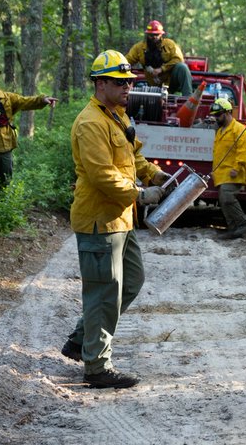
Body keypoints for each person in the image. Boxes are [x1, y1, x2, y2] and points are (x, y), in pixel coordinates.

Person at [60, 49, 172, 389]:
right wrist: (140, 195)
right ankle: (96, 366)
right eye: (120, 83)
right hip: (98, 222)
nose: (128, 88)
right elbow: (102, 175)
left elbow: (133, 156)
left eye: (129, 82)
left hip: (122, 219)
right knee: (104, 293)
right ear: (101, 83)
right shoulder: (90, 123)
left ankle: (82, 339)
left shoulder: (118, 117)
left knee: (131, 282)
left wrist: (156, 177)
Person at [0, 60, 57, 187]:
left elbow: (26, 101)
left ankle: (4, 207)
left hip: (6, 150)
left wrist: (42, 100)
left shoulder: (7, 97)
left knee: (5, 184)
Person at [210, 97, 246, 240]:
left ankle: (243, 224)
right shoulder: (221, 130)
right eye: (215, 115)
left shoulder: (240, 130)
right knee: (223, 199)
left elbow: (244, 151)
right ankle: (233, 228)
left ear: (228, 113)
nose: (216, 118)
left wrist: (237, 167)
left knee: (227, 196)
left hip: (235, 172)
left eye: (218, 115)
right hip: (222, 173)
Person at [125, 19, 194, 96]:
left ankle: (188, 98)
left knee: (182, 67)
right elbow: (127, 60)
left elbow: (178, 59)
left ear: (161, 35)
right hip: (153, 86)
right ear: (147, 35)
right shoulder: (139, 48)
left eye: (157, 35)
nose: (154, 37)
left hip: (170, 82)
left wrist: (162, 69)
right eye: (151, 35)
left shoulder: (169, 44)